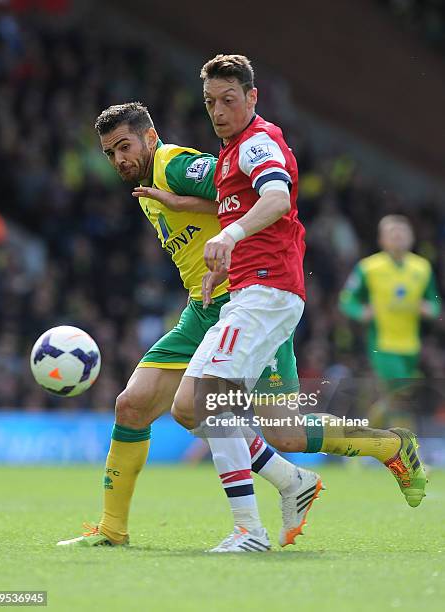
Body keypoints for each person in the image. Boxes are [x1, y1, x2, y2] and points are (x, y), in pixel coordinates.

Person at [148, 54, 429, 552]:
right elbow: (240, 210)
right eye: (211, 102)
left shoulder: (257, 142)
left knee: (212, 402)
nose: (218, 110)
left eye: (229, 100)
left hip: (268, 293)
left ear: (252, 98)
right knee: (215, 413)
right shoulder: (231, 152)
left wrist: (230, 234)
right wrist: (222, 262)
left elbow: (276, 198)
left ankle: (248, 531)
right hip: (252, 292)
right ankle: (374, 450)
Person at [57, 101, 316, 548]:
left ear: (149, 137)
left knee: (278, 428)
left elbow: (237, 188)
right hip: (201, 307)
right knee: (133, 406)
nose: (119, 159)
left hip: (242, 297)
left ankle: (375, 450)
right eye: (109, 152)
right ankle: (112, 530)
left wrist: (181, 201)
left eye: (124, 146)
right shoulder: (145, 186)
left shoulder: (172, 165)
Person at [339, 214, 441, 427]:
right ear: (381, 240)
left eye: (402, 233)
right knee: (401, 396)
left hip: (412, 345)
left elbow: (435, 303)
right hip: (382, 344)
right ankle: (408, 451)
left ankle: (362, 436)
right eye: (392, 234)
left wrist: (429, 309)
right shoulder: (368, 267)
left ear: (412, 237)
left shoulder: (422, 268)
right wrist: (361, 312)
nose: (398, 237)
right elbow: (347, 300)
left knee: (394, 398)